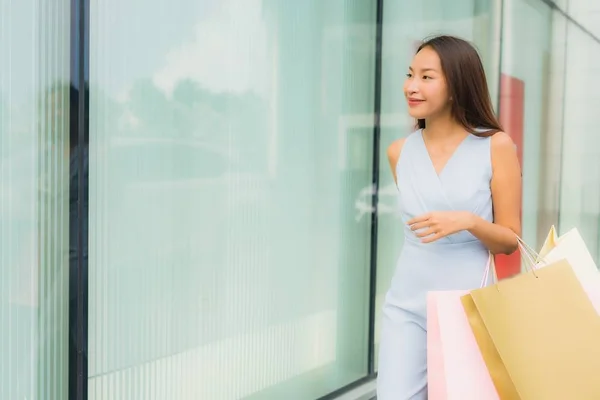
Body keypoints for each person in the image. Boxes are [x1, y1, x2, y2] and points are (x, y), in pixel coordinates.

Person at [376, 35, 522, 399]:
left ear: (457, 86)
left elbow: (510, 240)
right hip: (406, 305)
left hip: (468, 305)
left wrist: (469, 221)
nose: (411, 86)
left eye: (427, 77)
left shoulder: (495, 146)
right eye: (411, 75)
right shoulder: (399, 152)